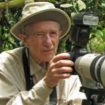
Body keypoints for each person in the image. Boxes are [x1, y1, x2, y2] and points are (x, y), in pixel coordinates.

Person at [0, 2, 86, 105]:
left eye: (53, 33)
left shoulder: (64, 66)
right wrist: (46, 84)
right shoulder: (6, 65)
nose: (49, 42)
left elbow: (77, 100)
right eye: (39, 34)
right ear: (25, 40)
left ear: (59, 35)